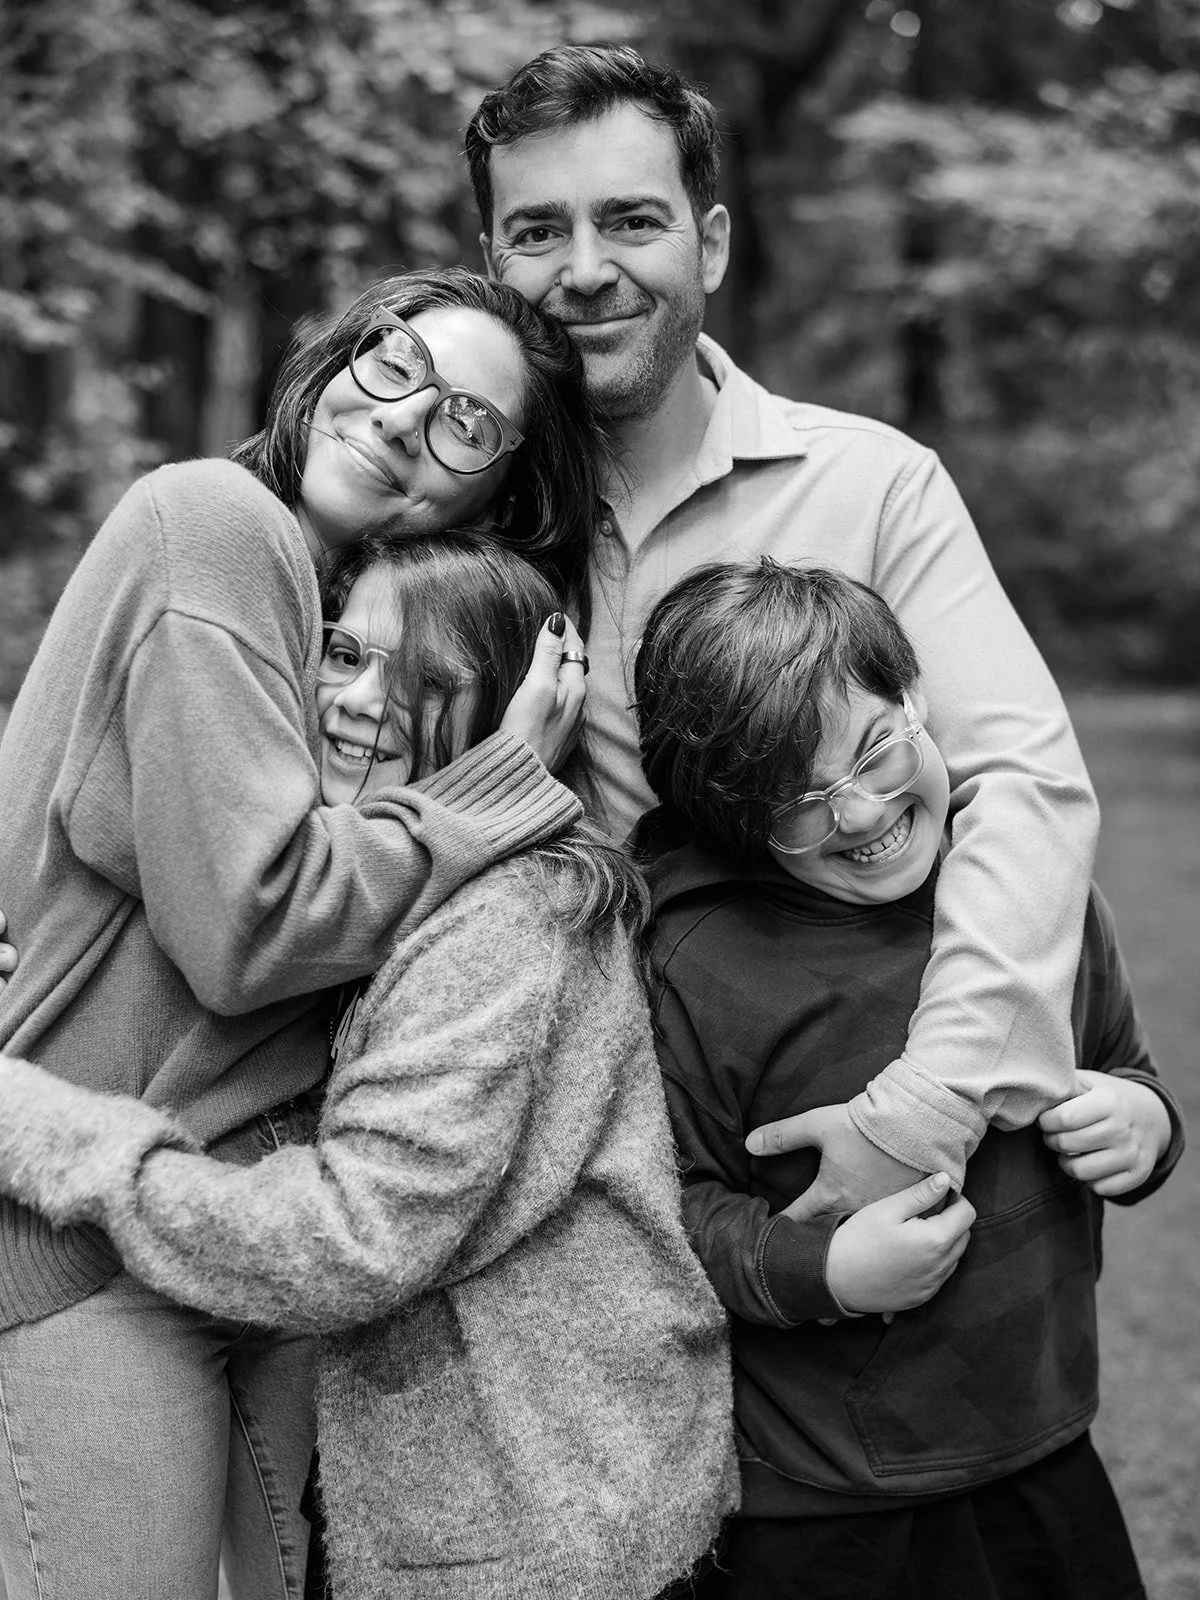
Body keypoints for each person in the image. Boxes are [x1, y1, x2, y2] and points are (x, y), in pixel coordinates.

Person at [0, 267, 605, 1600]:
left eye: (464, 419)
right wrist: (498, 783)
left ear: (496, 494)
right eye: (392, 362)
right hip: (83, 1237)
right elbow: (253, 928)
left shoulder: (345, 622)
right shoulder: (214, 522)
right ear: (338, 358)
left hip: (249, 1240)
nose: (400, 416)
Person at [0, 533, 738, 1600]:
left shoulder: (507, 922)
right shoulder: (366, 883)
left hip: (538, 1517)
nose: (355, 699)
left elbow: (353, 1236)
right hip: (488, 1495)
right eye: (343, 652)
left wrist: (51, 1132)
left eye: (426, 679)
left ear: (508, 714)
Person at [464, 44, 1101, 1218]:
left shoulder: (873, 484)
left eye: (631, 220)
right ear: (493, 260)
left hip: (832, 1138)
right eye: (540, 231)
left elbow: (1025, 788)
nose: (586, 269)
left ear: (708, 241)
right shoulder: (458, 512)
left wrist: (928, 1105)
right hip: (546, 1161)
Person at [633, 558, 1184, 1600]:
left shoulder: (1027, 903)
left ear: (916, 696)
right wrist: (825, 1272)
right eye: (797, 802)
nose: (858, 813)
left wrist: (1143, 1123)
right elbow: (667, 1221)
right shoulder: (694, 967)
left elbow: (1124, 1063)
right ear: (733, 817)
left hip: (1041, 1443)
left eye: (878, 750)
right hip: (820, 1504)